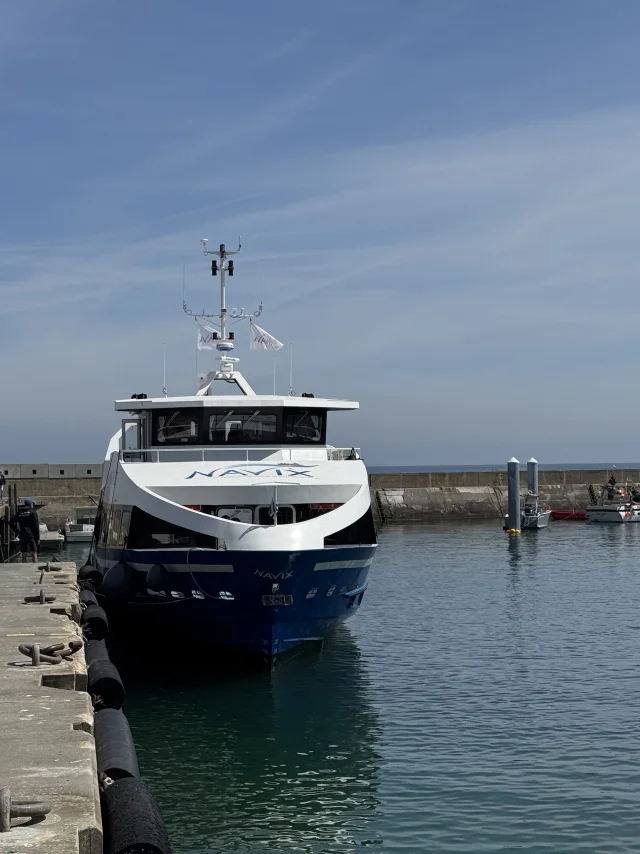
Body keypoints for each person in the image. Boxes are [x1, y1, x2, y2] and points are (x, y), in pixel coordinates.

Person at [11, 498, 40, 563]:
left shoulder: (20, 512)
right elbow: (36, 526)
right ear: (31, 505)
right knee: (34, 552)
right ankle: (35, 566)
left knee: (24, 553)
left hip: (22, 534)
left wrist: (16, 530)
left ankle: (24, 568)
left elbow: (11, 521)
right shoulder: (33, 512)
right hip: (31, 535)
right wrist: (37, 538)